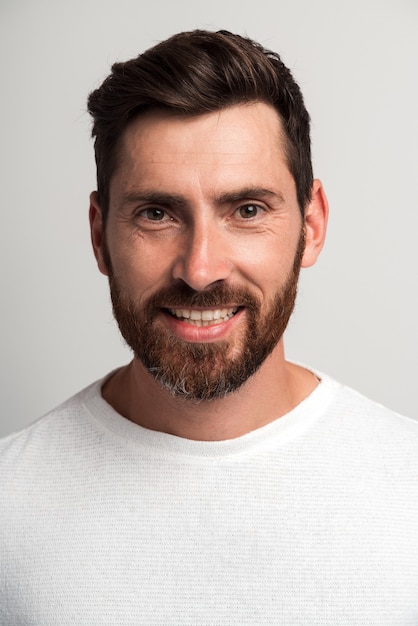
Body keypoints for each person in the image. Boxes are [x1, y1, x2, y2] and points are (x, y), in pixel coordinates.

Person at [1, 30, 417, 625]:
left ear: (312, 225)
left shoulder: (409, 487)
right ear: (99, 236)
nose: (201, 270)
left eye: (247, 211)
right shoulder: (9, 507)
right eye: (157, 213)